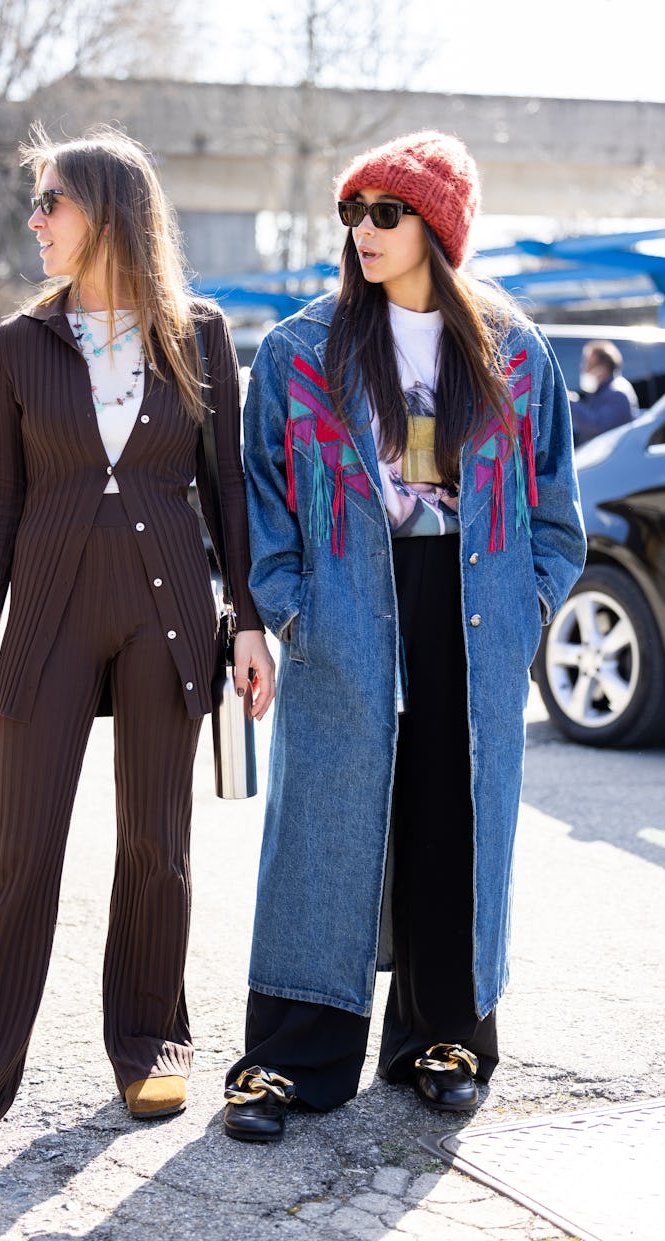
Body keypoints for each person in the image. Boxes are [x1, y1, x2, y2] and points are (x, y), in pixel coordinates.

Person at [0, 124, 275, 1141]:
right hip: (48, 617)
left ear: (107, 213)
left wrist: (250, 619)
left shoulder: (200, 334)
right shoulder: (20, 344)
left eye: (52, 201)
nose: (37, 220)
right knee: (21, 844)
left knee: (156, 839)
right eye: (39, 204)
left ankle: (151, 1044)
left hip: (168, 610)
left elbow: (227, 489)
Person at [222, 131, 586, 1143]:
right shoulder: (301, 351)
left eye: (387, 212)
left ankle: (446, 1037)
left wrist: (530, 607)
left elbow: (556, 510)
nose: (365, 231)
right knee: (324, 819)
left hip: (472, 601)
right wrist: (291, 608)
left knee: (453, 813)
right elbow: (263, 500)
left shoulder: (514, 350)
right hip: (348, 600)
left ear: (441, 226)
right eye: (353, 212)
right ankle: (294, 1055)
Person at [570, 339, 638, 445]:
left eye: (588, 365)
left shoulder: (617, 393)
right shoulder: (602, 390)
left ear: (602, 368)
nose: (584, 369)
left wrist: (571, 401)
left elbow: (596, 427)